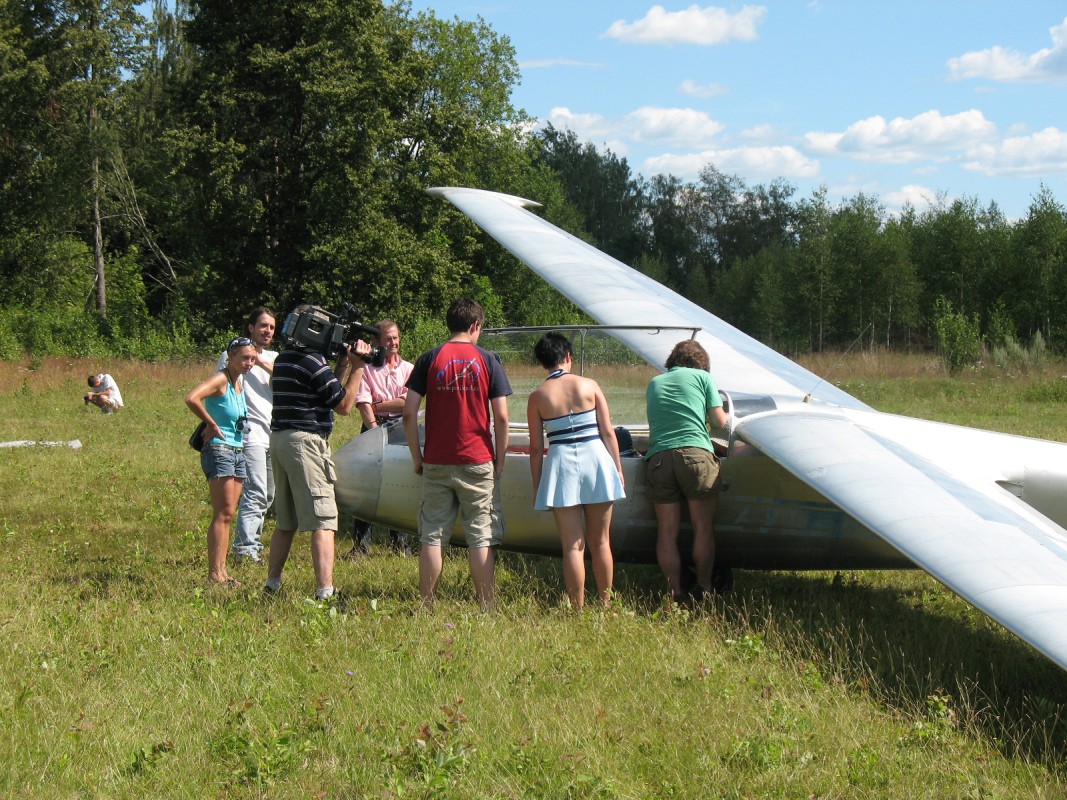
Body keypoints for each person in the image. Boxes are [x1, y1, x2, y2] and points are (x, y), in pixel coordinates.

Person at [403, 298, 512, 611]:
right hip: (477, 458)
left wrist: (417, 456)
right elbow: (502, 417)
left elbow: (409, 412)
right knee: (481, 535)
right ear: (475, 325)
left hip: (436, 458)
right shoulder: (489, 359)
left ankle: (426, 604)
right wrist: (500, 459)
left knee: (433, 535)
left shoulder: (429, 357)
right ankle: (487, 606)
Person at [264, 305, 373, 601]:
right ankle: (325, 592)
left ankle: (272, 585)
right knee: (324, 519)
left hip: (281, 439)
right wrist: (359, 366)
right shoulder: (312, 361)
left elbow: (323, 394)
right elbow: (344, 405)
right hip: (306, 443)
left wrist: (340, 364)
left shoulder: (287, 359)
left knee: (286, 521)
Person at [527, 332, 625, 610]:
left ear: (543, 363)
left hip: (561, 465)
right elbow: (607, 432)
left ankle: (577, 608)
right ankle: (606, 605)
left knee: (572, 545)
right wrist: (617, 469)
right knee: (601, 541)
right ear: (568, 356)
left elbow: (536, 449)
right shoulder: (589, 385)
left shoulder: (537, 397)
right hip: (596, 460)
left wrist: (538, 485)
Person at [645, 339, 729, 604]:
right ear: (701, 362)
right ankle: (704, 589)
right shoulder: (704, 378)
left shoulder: (655, 383)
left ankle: (675, 593)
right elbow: (719, 421)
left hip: (658, 458)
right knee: (702, 527)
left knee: (666, 531)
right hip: (695, 454)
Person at [185, 337, 257, 587]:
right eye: (245, 358)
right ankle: (215, 574)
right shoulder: (221, 379)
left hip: (237, 450)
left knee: (230, 513)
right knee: (223, 512)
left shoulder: (239, 382)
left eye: (253, 359)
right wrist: (211, 423)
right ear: (231, 357)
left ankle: (222, 572)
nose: (249, 363)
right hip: (220, 450)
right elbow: (192, 398)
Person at [217, 307, 277, 565]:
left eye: (272, 328)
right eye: (263, 326)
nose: (268, 331)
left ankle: (250, 542)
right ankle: (246, 549)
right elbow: (222, 386)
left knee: (270, 493)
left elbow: (283, 378)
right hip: (249, 433)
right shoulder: (232, 354)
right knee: (256, 491)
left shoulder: (274, 357)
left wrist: (259, 359)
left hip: (272, 432)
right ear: (250, 327)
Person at [350, 319, 414, 557]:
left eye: (395, 337)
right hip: (373, 428)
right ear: (377, 341)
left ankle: (400, 545)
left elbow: (408, 404)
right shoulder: (365, 369)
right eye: (388, 339)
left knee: (399, 485)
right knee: (367, 486)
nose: (393, 343)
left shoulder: (408, 369)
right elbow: (363, 405)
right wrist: (376, 429)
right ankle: (361, 546)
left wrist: (378, 404)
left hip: (400, 428)